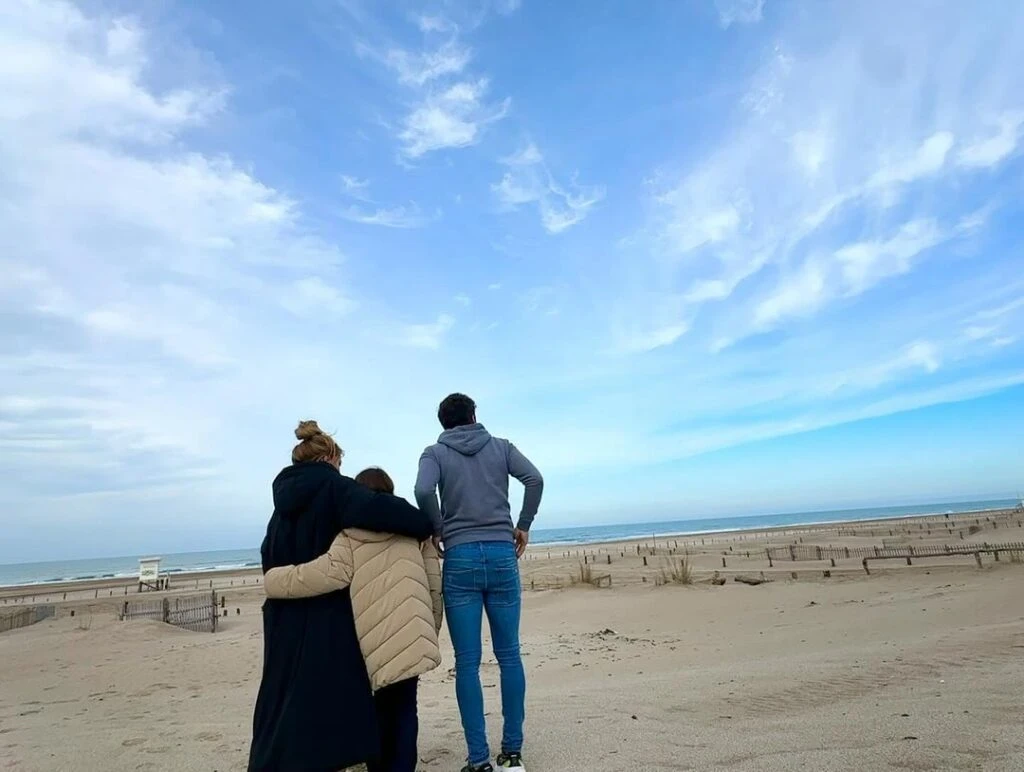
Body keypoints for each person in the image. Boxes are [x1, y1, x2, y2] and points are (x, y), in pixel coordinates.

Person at [248, 422, 433, 772]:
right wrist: (424, 523)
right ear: (331, 457)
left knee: (282, 695)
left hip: (282, 612)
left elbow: (267, 552)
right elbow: (394, 513)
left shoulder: (280, 504)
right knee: (330, 699)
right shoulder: (335, 487)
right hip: (324, 609)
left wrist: (274, 583)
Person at [414, 394, 544, 772]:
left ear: (443, 423)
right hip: (503, 555)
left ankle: (478, 759)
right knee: (509, 656)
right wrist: (524, 524)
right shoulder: (501, 447)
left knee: (468, 664)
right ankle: (512, 753)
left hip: (461, 558)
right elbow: (534, 478)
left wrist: (439, 527)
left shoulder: (434, 454)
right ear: (474, 416)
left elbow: (423, 491)